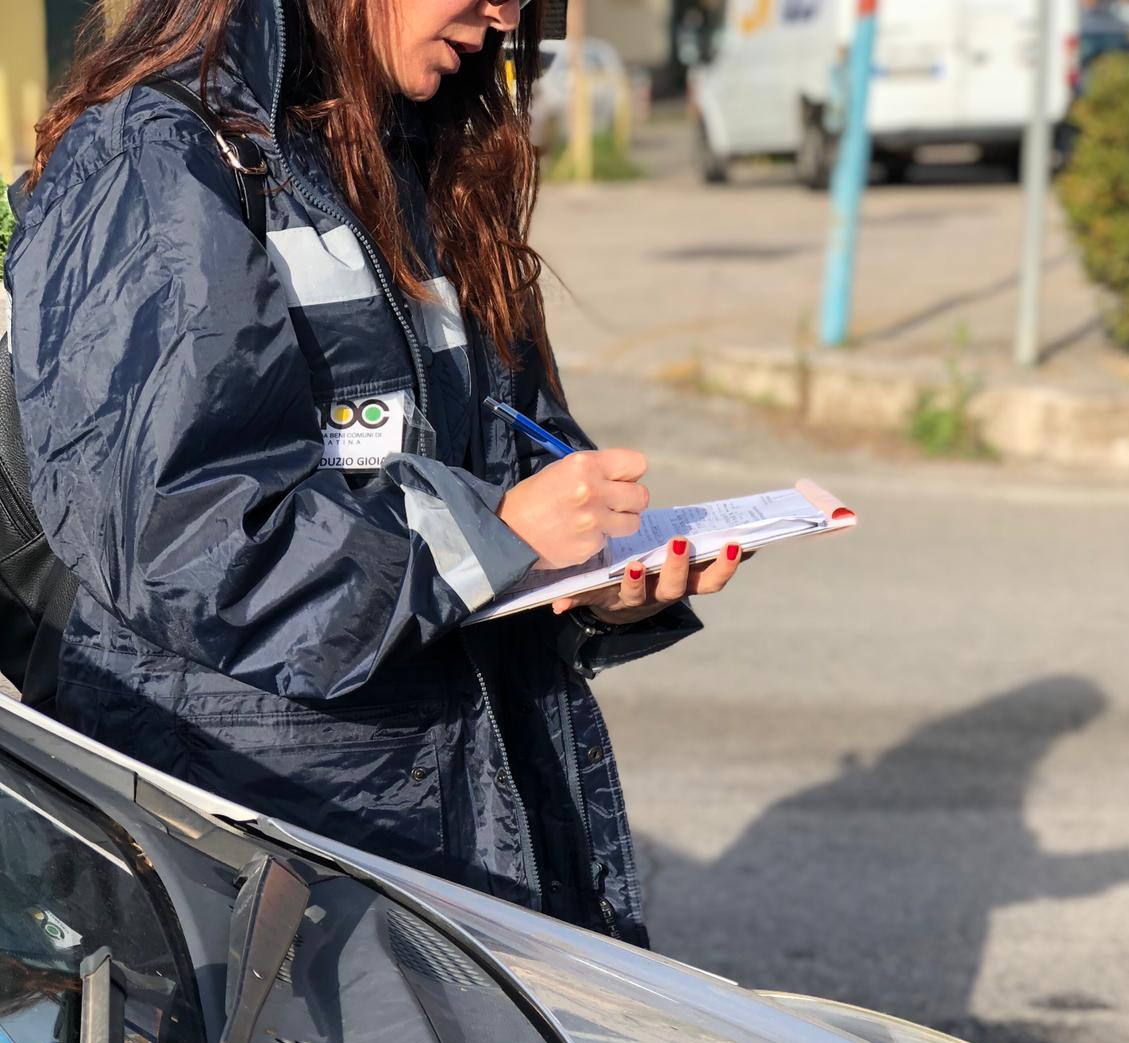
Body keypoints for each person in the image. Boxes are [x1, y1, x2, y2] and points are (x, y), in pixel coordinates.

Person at [4, 0, 745, 945]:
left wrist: (599, 583)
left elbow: (513, 450)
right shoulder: (158, 159)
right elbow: (187, 538)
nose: (507, 13)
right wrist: (494, 534)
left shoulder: (422, 155)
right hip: (266, 867)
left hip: (470, 825)